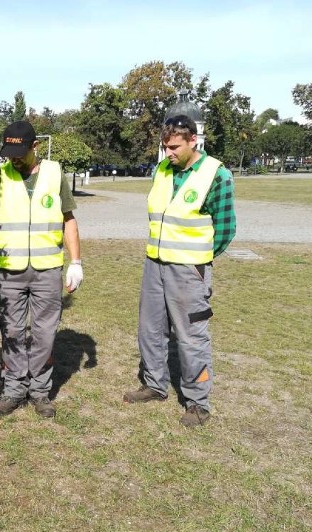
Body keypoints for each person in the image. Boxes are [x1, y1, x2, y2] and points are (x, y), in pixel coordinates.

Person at [122, 114, 236, 427]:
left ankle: (197, 403)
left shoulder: (217, 175)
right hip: (154, 263)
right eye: (165, 147)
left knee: (191, 337)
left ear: (192, 142)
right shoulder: (162, 171)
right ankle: (155, 385)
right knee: (150, 329)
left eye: (174, 147)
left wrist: (198, 259)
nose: (169, 153)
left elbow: (226, 228)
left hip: (189, 270)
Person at [0, 121, 83, 419]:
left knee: (44, 333)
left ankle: (39, 391)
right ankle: (13, 390)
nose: (14, 157)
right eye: (8, 151)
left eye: (20, 152)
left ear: (35, 146)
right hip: (9, 270)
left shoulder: (54, 173)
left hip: (47, 269)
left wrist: (75, 262)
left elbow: (68, 218)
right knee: (11, 331)